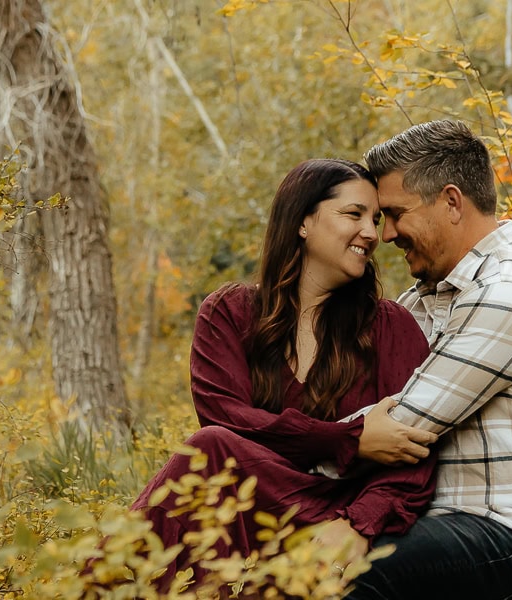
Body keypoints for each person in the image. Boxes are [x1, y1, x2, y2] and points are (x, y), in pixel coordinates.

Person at [129, 158, 438, 592]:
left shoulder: (391, 327)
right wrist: (347, 439)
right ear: (303, 221)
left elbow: (416, 453)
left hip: (334, 509)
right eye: (354, 214)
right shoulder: (230, 313)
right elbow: (226, 417)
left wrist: (357, 525)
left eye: (376, 219)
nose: (371, 232)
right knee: (210, 447)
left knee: (211, 450)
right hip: (251, 498)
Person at [340, 120, 512, 599]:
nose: (387, 235)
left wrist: (284, 451)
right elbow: (352, 401)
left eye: (396, 214)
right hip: (443, 529)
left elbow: (407, 422)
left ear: (450, 201)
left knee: (365, 574)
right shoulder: (417, 301)